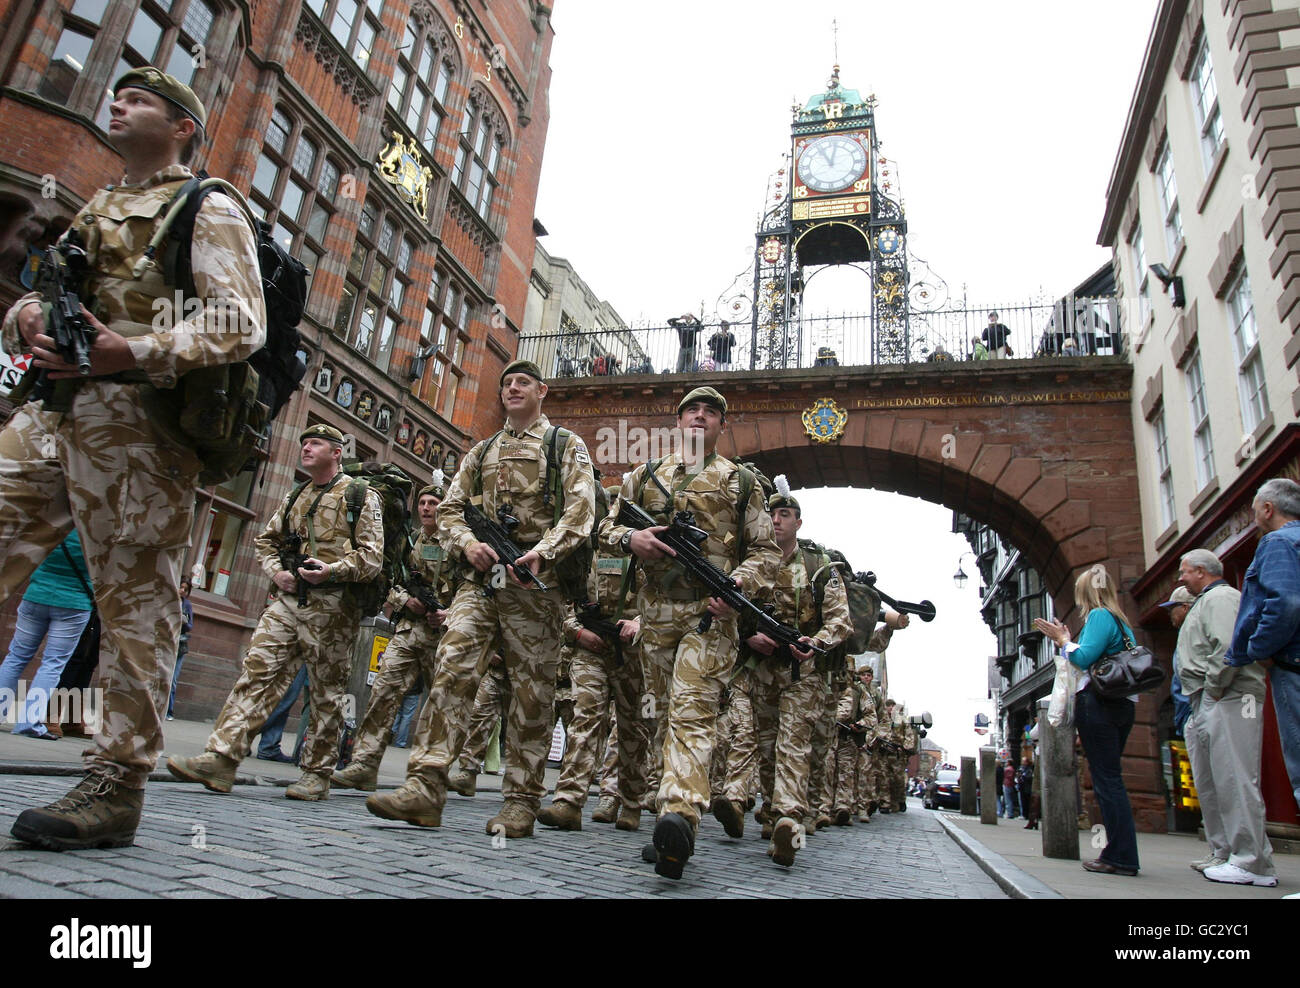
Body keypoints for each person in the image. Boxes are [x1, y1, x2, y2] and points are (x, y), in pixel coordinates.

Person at [4, 67, 265, 851]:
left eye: (140, 99)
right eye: (116, 96)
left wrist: (135, 348)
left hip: (138, 432)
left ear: (183, 126)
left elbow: (238, 321)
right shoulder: (101, 205)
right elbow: (47, 293)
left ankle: (118, 780)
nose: (118, 104)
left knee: (135, 609)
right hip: (51, 415)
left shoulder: (204, 205)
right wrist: (25, 319)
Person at [366, 360, 596, 837]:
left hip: (537, 590)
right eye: (507, 383)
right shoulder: (483, 449)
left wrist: (541, 553)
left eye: (523, 383)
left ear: (542, 391)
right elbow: (450, 508)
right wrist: (467, 544)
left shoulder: (565, 446)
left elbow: (581, 513)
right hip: (480, 583)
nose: (513, 388)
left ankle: (520, 800)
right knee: (451, 666)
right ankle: (425, 787)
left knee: (531, 694)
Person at [599, 385, 779, 879]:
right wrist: (632, 538)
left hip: (710, 617)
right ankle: (668, 819)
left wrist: (739, 582)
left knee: (693, 709)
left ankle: (680, 814)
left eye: (711, 413)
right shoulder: (644, 477)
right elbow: (604, 528)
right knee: (659, 717)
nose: (700, 417)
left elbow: (766, 553)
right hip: (655, 616)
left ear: (722, 426)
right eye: (692, 411)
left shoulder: (742, 483)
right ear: (678, 422)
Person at [167, 424, 384, 801]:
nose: (306, 448)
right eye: (304, 443)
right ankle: (221, 757)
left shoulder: (359, 495)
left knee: (326, 692)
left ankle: (317, 773)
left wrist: (331, 570)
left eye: (316, 443)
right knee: (257, 674)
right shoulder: (296, 495)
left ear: (337, 452)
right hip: (288, 603)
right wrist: (277, 573)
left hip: (333, 610)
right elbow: (265, 540)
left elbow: (372, 558)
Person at [714, 487, 852, 867]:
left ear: (798, 522)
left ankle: (789, 821)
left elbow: (841, 621)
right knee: (757, 744)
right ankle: (759, 809)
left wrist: (816, 641)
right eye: (772, 515)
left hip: (800, 671)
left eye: (785, 515)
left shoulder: (819, 565)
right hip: (755, 669)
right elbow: (726, 606)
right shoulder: (752, 561)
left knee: (793, 743)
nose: (777, 520)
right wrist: (746, 635)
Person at [331, 480, 454, 792]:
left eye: (433, 504)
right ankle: (364, 764)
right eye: (423, 503)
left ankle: (431, 774)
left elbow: (472, 592)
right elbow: (390, 581)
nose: (427, 508)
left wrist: (448, 614)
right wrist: (404, 601)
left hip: (443, 637)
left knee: (442, 705)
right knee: (383, 694)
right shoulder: (408, 541)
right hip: (407, 631)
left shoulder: (457, 543)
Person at [1172, 551, 1275, 886]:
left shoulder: (1222, 599)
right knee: (1214, 780)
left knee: (1235, 777)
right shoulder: (1208, 600)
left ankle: (1252, 862)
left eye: (1184, 572)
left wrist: (1214, 687)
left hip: (1227, 696)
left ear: (1201, 572)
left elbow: (1227, 645)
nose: (1181, 578)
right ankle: (1226, 851)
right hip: (1208, 697)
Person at [1034, 565, 1140, 877]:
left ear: (1087, 593)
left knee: (1106, 780)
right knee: (1112, 777)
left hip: (1100, 704)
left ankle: (1119, 856)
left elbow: (1083, 658)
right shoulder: (1122, 622)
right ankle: (1122, 853)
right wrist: (1066, 639)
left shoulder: (1099, 616)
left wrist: (1062, 641)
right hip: (1123, 705)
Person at [536, 548, 650, 833]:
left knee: (632, 728)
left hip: (634, 654)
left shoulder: (652, 554)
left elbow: (666, 606)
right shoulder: (586, 555)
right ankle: (569, 801)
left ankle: (630, 802)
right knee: (585, 715)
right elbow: (563, 605)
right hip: (591, 649)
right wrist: (576, 631)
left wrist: (641, 624)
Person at [1225, 478, 1300, 821]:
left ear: (1268, 509)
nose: (1255, 518)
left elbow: (1284, 602)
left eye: (1256, 511)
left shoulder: (1277, 543)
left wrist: (1259, 648)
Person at [0, 532, 94, 739]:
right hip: (74, 604)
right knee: (53, 664)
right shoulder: (94, 533)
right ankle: (28, 723)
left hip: (35, 596)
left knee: (15, 657)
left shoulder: (52, 526)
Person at [447, 654, 510, 796]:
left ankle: (521, 792)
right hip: (495, 672)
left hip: (526, 675)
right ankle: (468, 773)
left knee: (524, 731)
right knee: (478, 715)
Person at [255, 664, 307, 763]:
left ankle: (269, 745)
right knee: (285, 698)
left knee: (284, 700)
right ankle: (241, 736)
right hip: (297, 652)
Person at [165, 577, 193, 720]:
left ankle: (168, 711)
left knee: (173, 679)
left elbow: (190, 626)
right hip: (166, 641)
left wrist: (185, 621)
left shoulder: (186, 605)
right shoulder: (168, 600)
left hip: (179, 644)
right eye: (180, 587)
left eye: (185, 589)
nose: (181, 590)